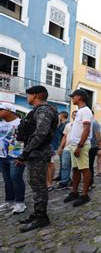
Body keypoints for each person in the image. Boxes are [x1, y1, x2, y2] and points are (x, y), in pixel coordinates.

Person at [15, 85, 58, 232]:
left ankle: (41, 217)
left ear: (34, 95)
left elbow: (41, 133)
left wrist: (25, 153)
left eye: (28, 95)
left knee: (39, 186)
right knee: (35, 184)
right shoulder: (38, 111)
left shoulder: (44, 110)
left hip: (38, 153)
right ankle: (37, 213)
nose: (27, 98)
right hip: (35, 152)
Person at [63, 90, 93, 207]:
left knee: (84, 169)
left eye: (73, 96)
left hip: (81, 145)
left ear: (79, 97)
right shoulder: (81, 111)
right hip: (74, 145)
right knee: (75, 169)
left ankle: (85, 195)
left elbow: (86, 129)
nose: (72, 98)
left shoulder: (85, 111)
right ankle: (74, 192)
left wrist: (80, 146)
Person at [0, 102, 26, 214]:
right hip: (2, 156)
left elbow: (27, 140)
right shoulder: (1, 124)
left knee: (16, 178)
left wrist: (24, 156)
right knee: (7, 180)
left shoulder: (21, 123)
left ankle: (20, 202)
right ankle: (9, 201)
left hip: (16, 156)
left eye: (1, 110)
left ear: (9, 111)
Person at [56, 110, 76, 190]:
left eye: (76, 115)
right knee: (65, 166)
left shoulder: (82, 125)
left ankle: (74, 181)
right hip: (67, 148)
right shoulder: (68, 125)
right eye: (73, 115)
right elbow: (64, 137)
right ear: (71, 116)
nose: (75, 116)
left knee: (75, 167)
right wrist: (61, 148)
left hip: (76, 148)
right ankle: (64, 181)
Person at [52, 111, 69, 182]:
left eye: (59, 115)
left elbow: (64, 134)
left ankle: (65, 178)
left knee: (65, 163)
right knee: (61, 162)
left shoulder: (66, 124)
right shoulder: (61, 124)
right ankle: (60, 175)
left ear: (61, 116)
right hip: (60, 144)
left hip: (64, 145)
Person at [89, 116, 101, 188]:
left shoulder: (94, 124)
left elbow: (98, 135)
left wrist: (99, 147)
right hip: (84, 147)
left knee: (89, 165)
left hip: (92, 147)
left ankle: (90, 182)